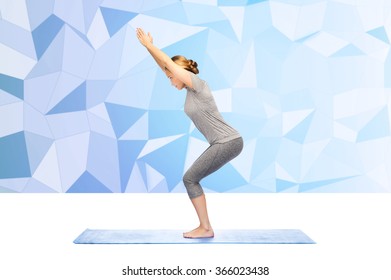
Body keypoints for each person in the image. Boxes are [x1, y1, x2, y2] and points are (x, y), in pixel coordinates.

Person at [136, 28, 243, 238]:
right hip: (222, 142)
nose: (170, 81)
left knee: (190, 179)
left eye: (170, 77)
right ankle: (205, 227)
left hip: (228, 141)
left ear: (179, 73)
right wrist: (148, 48)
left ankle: (205, 228)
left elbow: (169, 64)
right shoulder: (189, 91)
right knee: (191, 179)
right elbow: (165, 65)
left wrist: (150, 46)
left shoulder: (198, 86)